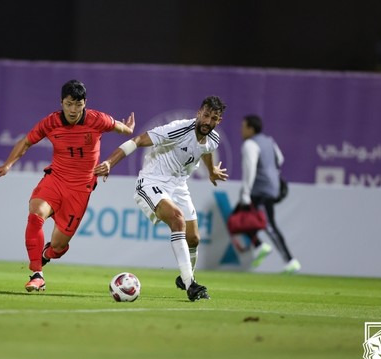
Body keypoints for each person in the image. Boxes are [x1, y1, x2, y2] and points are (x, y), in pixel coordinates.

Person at [0, 79, 135, 291]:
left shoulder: (97, 119)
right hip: (56, 179)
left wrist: (128, 130)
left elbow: (118, 127)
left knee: (58, 246)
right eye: (68, 104)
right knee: (36, 212)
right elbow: (26, 142)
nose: (73, 109)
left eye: (78, 104)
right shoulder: (51, 122)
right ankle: (37, 274)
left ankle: (47, 254)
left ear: (85, 103)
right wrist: (8, 164)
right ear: (61, 103)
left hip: (81, 188)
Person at [94, 96, 229, 301]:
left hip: (179, 186)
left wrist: (211, 171)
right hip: (152, 181)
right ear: (199, 113)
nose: (208, 122)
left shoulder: (213, 138)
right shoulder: (179, 129)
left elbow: (206, 151)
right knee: (177, 218)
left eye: (214, 118)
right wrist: (110, 163)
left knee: (194, 239)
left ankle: (185, 277)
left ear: (219, 121)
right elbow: (137, 140)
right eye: (206, 115)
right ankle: (190, 283)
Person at [238, 114, 301, 273]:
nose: (241, 130)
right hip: (271, 187)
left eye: (244, 127)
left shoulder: (250, 144)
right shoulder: (269, 141)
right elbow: (280, 159)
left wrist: (245, 193)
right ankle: (260, 247)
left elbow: (250, 170)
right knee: (241, 219)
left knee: (267, 225)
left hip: (260, 190)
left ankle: (290, 260)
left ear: (251, 129)